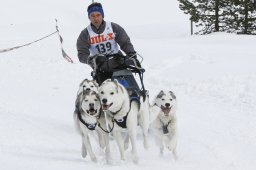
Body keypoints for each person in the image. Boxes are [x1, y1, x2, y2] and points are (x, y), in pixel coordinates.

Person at [77, 2, 139, 85]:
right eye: (93, 16)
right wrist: (90, 60)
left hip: (118, 64)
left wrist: (131, 55)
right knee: (106, 95)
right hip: (100, 68)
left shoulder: (113, 27)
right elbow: (82, 53)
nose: (96, 19)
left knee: (130, 92)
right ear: (89, 17)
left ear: (102, 15)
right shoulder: (85, 34)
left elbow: (125, 42)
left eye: (98, 15)